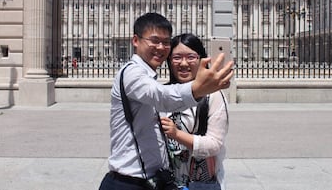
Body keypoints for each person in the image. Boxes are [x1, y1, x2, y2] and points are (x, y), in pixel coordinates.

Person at [99, 13, 233, 190]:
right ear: (136, 40)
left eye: (166, 42)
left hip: (177, 182)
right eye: (154, 40)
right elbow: (161, 97)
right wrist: (198, 89)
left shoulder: (153, 79)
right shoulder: (133, 74)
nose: (160, 47)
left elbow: (214, 143)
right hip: (130, 181)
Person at [160, 33, 229, 190]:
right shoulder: (162, 93)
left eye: (191, 57)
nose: (184, 63)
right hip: (165, 182)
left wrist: (177, 135)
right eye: (177, 57)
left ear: (201, 60)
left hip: (199, 183)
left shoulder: (213, 95)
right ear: (169, 61)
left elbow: (214, 144)